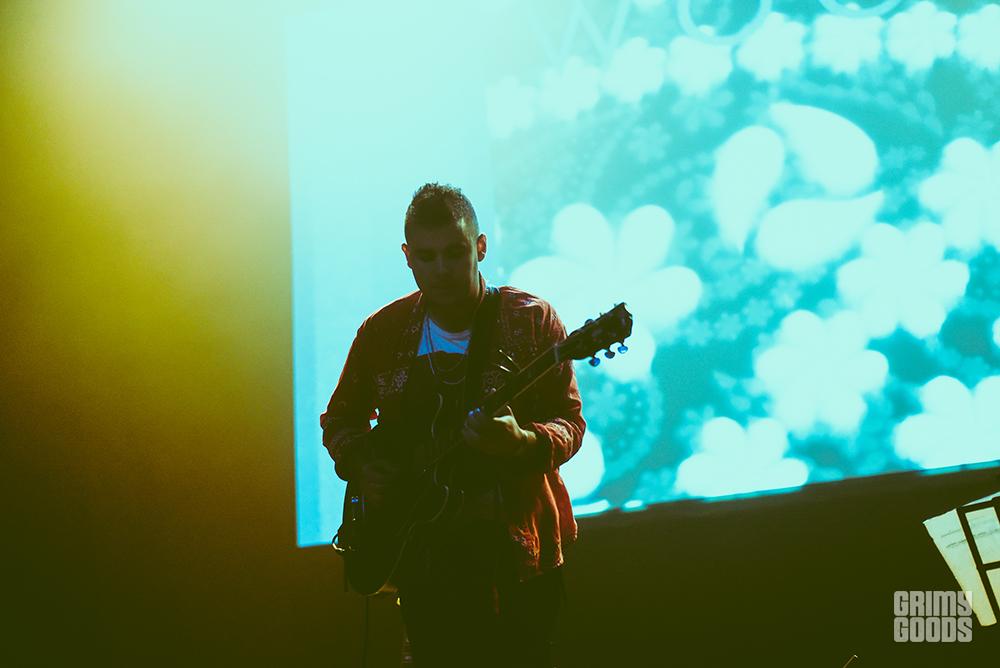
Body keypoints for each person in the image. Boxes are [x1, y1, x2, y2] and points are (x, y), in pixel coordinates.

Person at [320, 182, 585, 667]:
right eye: (427, 256)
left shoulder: (531, 321)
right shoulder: (381, 333)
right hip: (424, 558)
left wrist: (523, 440)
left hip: (519, 554)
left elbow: (570, 423)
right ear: (407, 256)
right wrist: (360, 463)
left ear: (480, 246)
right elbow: (340, 419)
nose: (441, 269)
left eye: (455, 252)